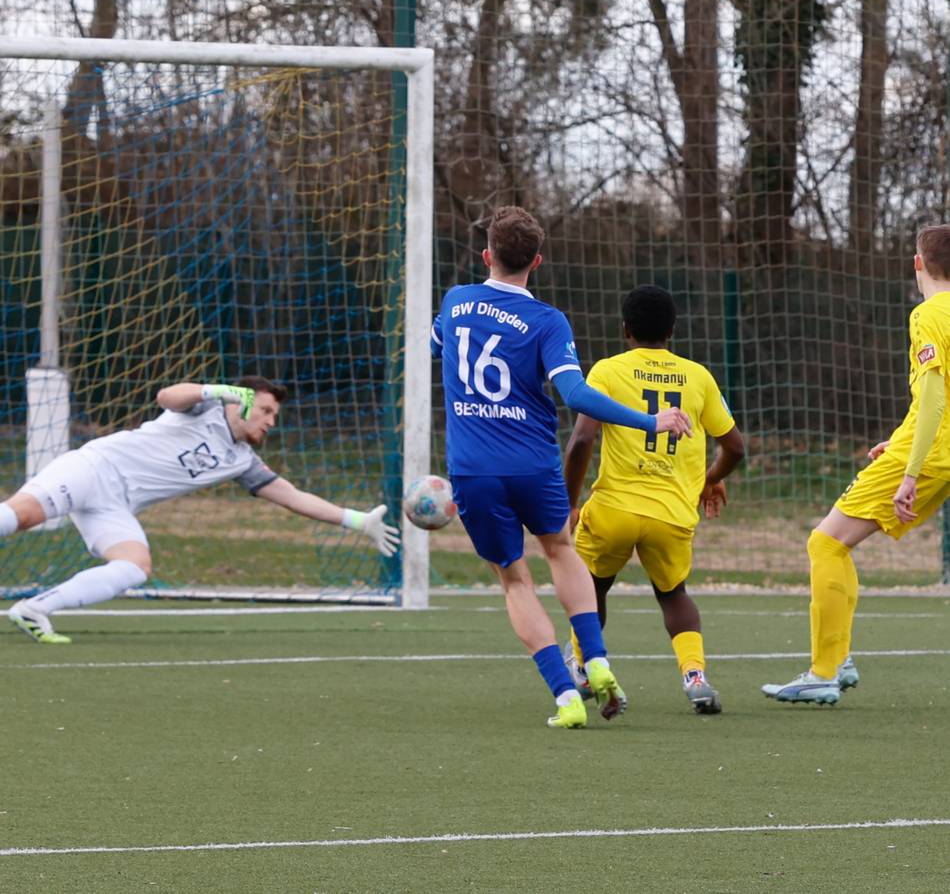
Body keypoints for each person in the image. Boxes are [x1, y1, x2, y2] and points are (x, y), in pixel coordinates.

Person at [431, 206, 692, 729]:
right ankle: (594, 661)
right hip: (533, 464)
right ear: (538, 262)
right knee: (561, 548)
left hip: (473, 470)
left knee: (514, 580)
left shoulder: (456, 302)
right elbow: (574, 393)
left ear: (487, 255)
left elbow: (433, 346)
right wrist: (649, 420)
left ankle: (565, 698)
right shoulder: (547, 321)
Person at [3, 377, 400, 643]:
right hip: (92, 469)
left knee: (135, 566)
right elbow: (166, 397)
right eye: (264, 410)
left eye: (275, 416)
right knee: (22, 516)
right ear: (240, 401)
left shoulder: (243, 461)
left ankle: (34, 609)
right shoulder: (204, 409)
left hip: (115, 505)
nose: (271, 421)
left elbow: (293, 496)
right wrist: (215, 391)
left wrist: (357, 520)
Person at [762, 224, 950, 704]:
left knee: (826, 543)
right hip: (929, 446)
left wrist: (910, 472)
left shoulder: (929, 314)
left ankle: (826, 669)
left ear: (917, 264)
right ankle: (837, 658)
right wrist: (900, 439)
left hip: (930, 454)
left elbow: (933, 397)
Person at [562, 285, 745, 714]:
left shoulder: (607, 371)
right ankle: (695, 676)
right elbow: (735, 447)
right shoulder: (698, 376)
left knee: (591, 587)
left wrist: (570, 503)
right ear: (673, 330)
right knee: (674, 594)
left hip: (613, 509)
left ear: (625, 329)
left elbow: (581, 440)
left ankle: (586, 668)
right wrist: (709, 479)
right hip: (672, 514)